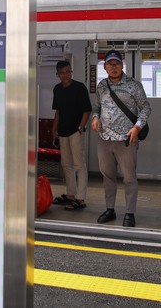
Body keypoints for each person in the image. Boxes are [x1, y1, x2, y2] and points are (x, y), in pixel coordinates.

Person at [90, 49, 151, 227]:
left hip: (126, 139)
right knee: (107, 176)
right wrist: (95, 118)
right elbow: (96, 107)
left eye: (116, 63)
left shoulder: (134, 85)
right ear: (105, 67)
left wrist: (137, 127)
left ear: (122, 65)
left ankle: (130, 213)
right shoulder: (102, 86)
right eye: (110, 64)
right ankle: (110, 209)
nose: (113, 67)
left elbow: (145, 108)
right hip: (104, 139)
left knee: (129, 178)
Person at [51, 60, 92, 211]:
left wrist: (81, 127)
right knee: (66, 165)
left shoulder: (79, 88)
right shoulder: (57, 89)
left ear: (71, 72)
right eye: (62, 73)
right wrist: (54, 129)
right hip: (62, 131)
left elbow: (87, 110)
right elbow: (58, 111)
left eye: (68, 72)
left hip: (76, 131)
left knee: (79, 165)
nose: (65, 75)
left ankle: (80, 199)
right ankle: (70, 195)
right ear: (57, 74)